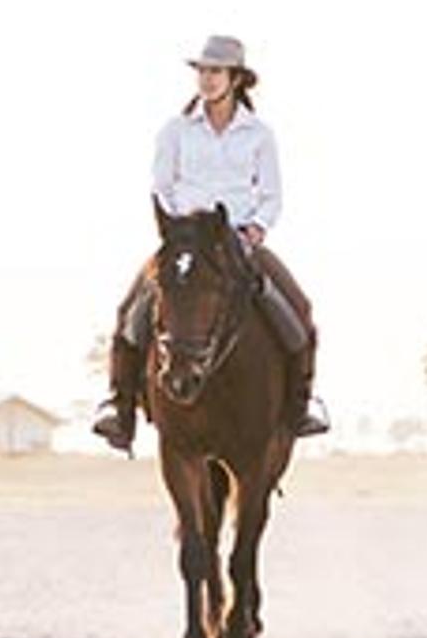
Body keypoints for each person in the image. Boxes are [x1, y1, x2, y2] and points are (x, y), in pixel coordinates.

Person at [92, 35, 330, 451]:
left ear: (235, 78)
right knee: (131, 310)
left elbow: (271, 195)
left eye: (215, 71)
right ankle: (120, 405)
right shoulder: (176, 130)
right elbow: (161, 185)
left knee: (299, 309)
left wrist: (255, 227)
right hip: (185, 238)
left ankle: (300, 404)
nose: (207, 79)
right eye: (202, 71)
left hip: (237, 242)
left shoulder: (259, 134)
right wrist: (179, 226)